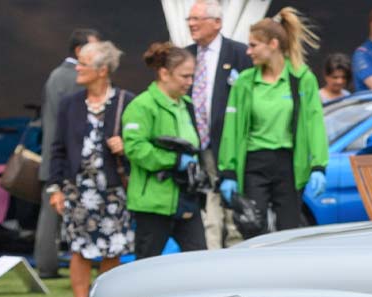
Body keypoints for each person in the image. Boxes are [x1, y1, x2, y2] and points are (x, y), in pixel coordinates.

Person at [218, 9, 327, 237]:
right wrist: (227, 171)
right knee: (252, 228)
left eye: (253, 45)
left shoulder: (301, 79)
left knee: (289, 232)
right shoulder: (245, 82)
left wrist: (318, 166)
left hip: (288, 165)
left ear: (273, 44)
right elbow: (231, 129)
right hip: (254, 165)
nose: (248, 52)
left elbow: (315, 123)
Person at [44, 41, 136, 297]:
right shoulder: (69, 104)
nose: (78, 69)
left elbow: (141, 143)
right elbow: (57, 147)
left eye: (84, 64)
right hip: (78, 189)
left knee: (112, 248)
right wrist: (56, 188)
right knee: (79, 248)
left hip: (113, 189)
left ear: (102, 70)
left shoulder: (126, 102)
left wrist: (126, 147)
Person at [124, 43, 208, 260]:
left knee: (199, 259)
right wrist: (174, 160)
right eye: (184, 76)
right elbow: (135, 148)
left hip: (186, 198)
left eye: (192, 76)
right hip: (153, 203)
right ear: (164, 73)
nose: (190, 82)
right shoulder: (141, 106)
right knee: (146, 265)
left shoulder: (187, 105)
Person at [35, 27, 100, 279]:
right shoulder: (75, 77)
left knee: (49, 217)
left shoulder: (55, 76)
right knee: (70, 214)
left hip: (52, 156)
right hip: (67, 159)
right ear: (79, 51)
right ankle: (78, 264)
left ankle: (46, 265)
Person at [184, 1, 250, 250]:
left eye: (197, 19)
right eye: (189, 20)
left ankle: (236, 259)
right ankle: (210, 261)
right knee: (208, 213)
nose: (191, 24)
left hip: (230, 146)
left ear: (217, 23)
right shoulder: (185, 55)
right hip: (197, 148)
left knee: (233, 212)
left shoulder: (240, 54)